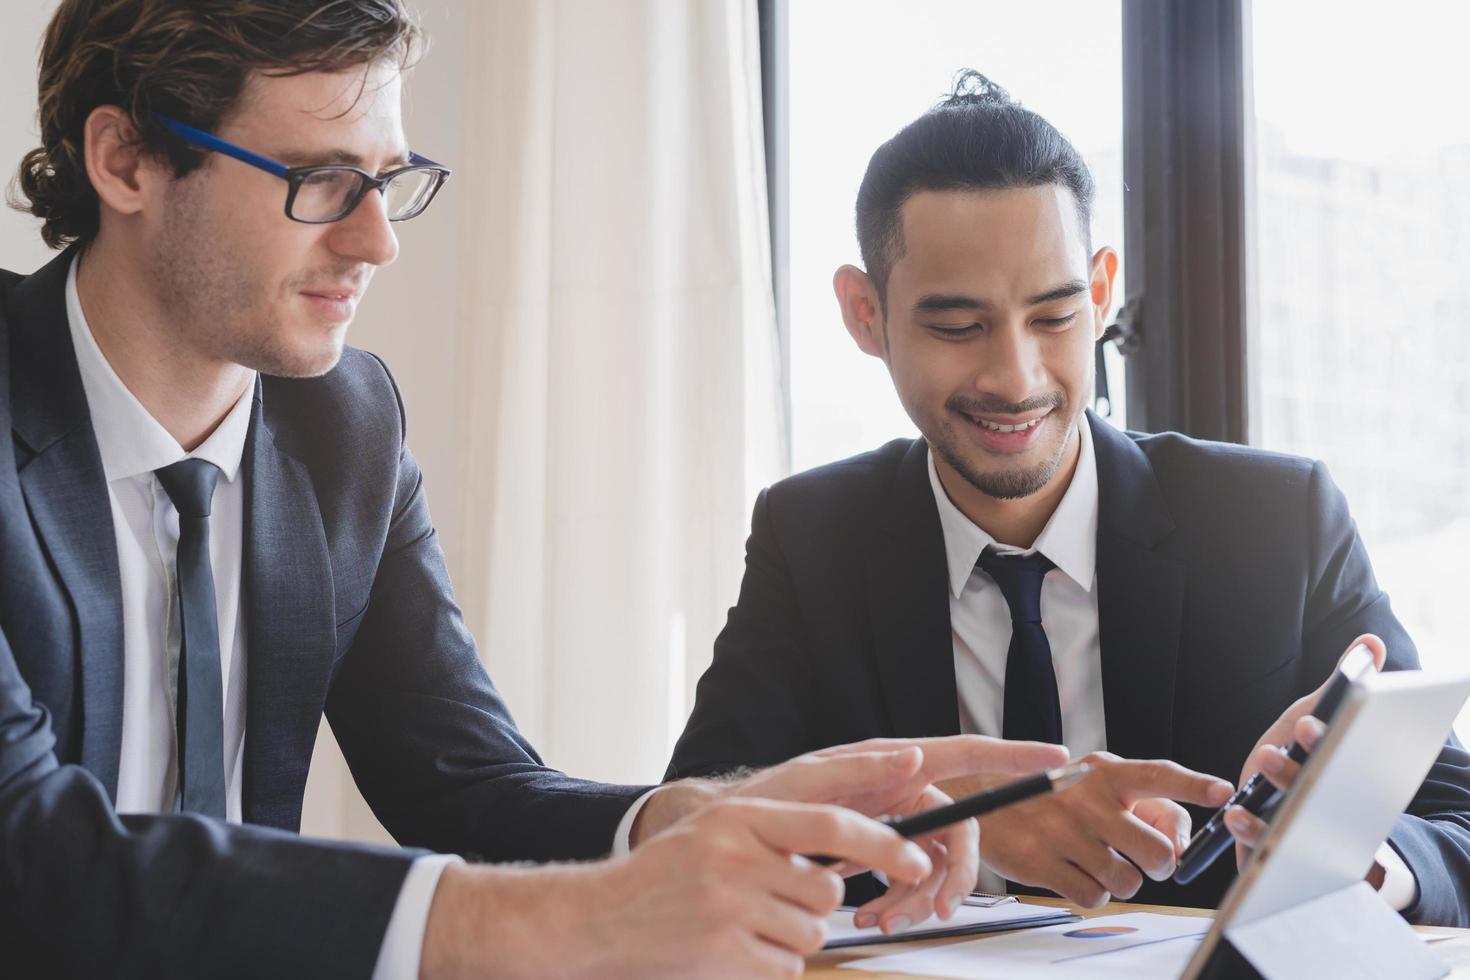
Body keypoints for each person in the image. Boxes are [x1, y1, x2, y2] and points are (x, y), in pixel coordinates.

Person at [0, 6, 1070, 977]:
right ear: (126, 159)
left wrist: (693, 817)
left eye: (387, 181)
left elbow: (465, 785)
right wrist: (571, 919)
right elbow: (25, 845)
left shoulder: (346, 426)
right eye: (319, 181)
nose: (376, 241)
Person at [667, 70, 1470, 926]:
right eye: (956, 326)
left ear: (1099, 293)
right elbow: (692, 829)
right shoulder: (812, 536)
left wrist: (1351, 856)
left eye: (1053, 317)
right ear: (866, 315)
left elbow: (1459, 824)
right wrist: (945, 808)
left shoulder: (1276, 520)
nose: (1016, 379)